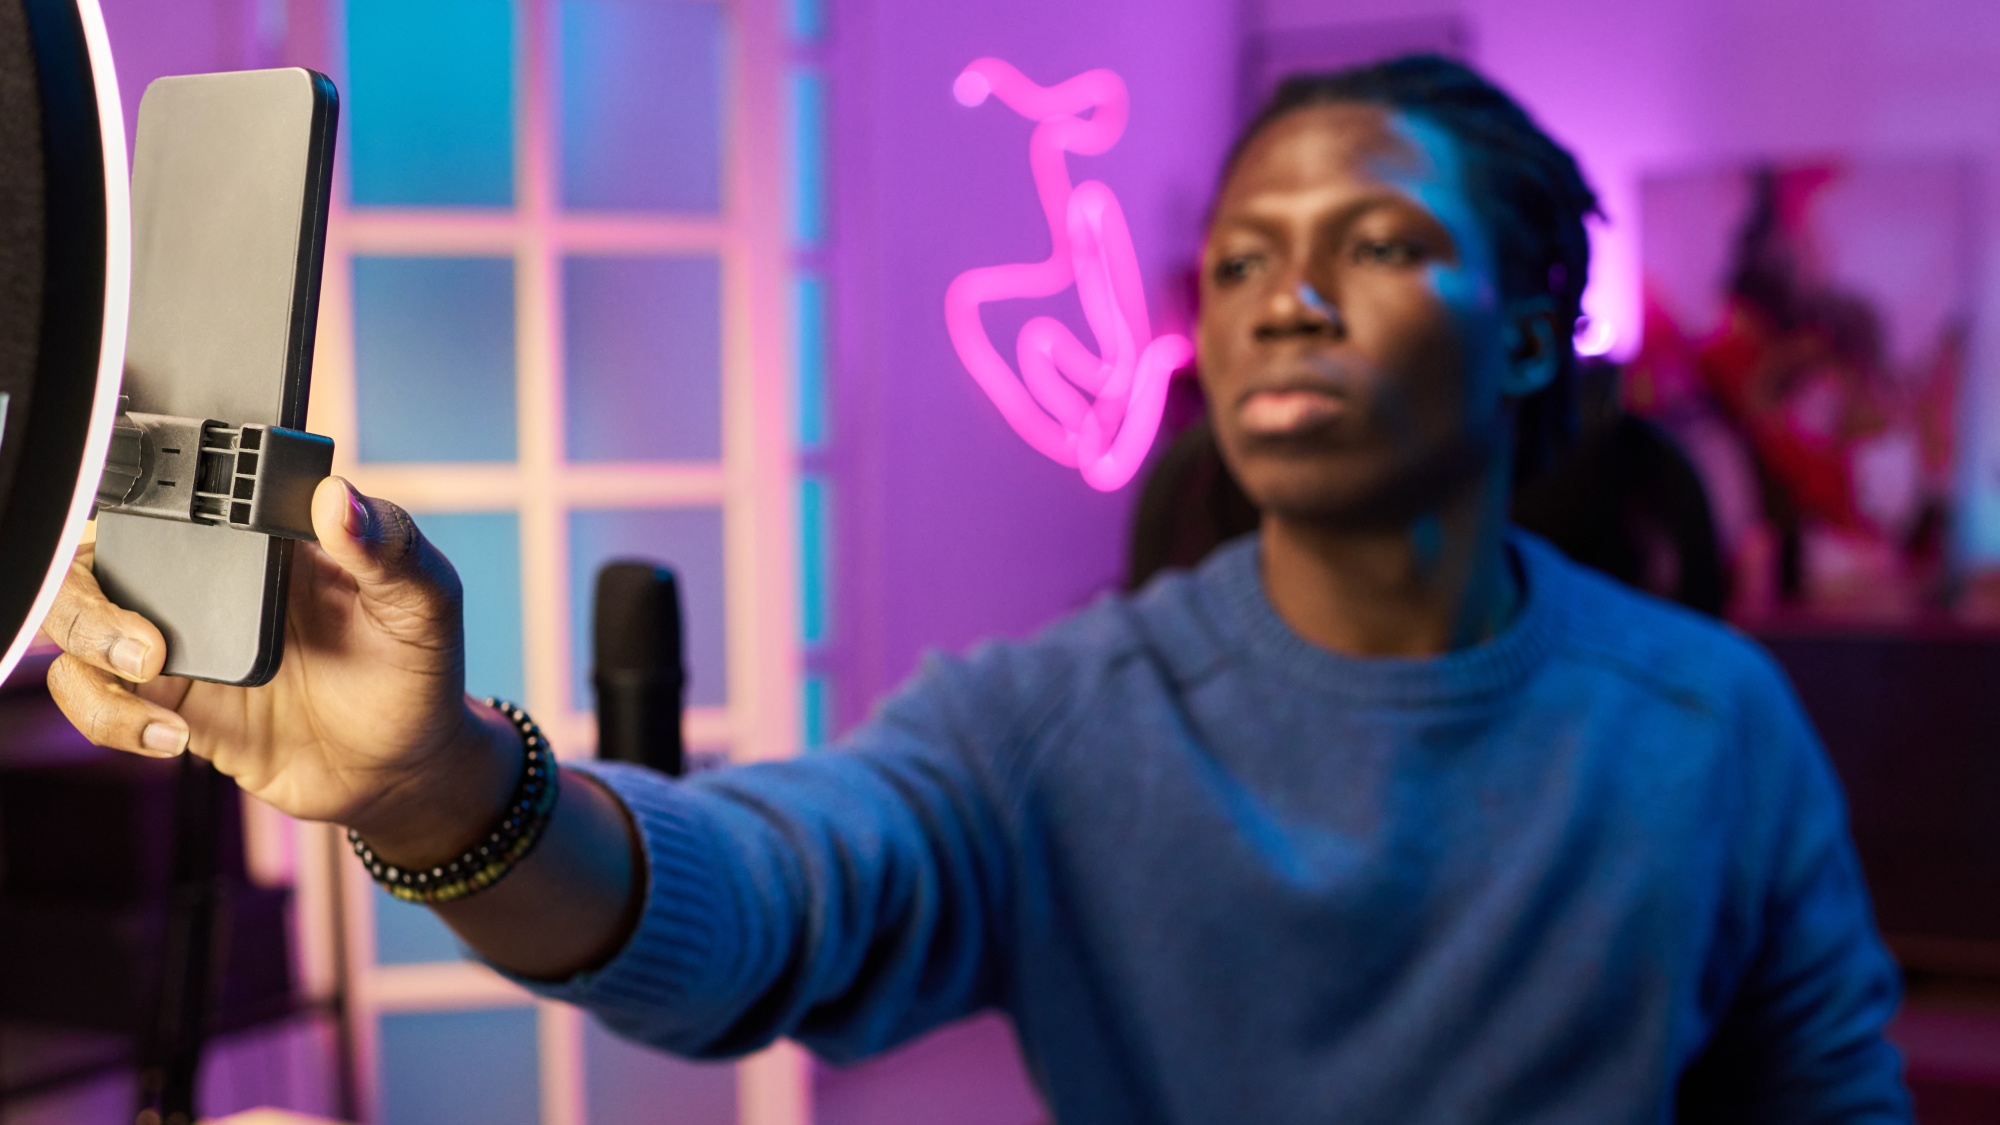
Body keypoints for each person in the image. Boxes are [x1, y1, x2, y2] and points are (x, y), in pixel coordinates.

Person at [41, 56, 1907, 1122]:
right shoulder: (1057, 721)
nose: (1287, 296)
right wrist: (437, 784)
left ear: (1530, 333)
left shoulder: (1710, 721)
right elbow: (763, 898)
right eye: (1241, 257)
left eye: (1381, 245)